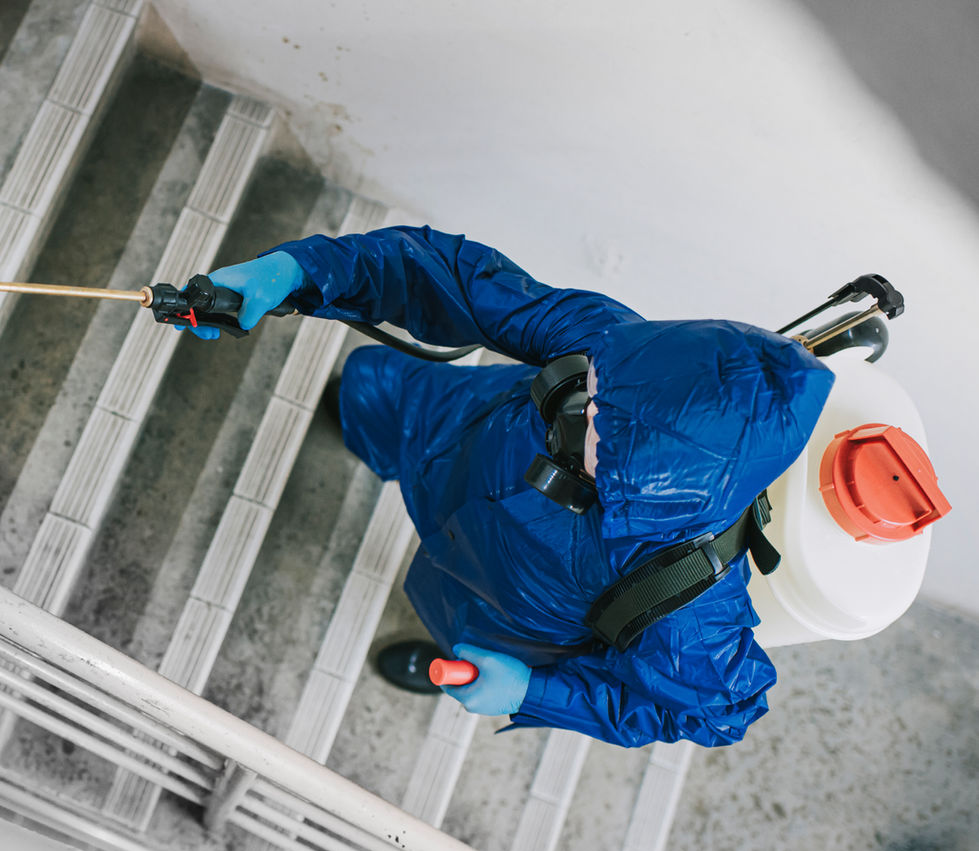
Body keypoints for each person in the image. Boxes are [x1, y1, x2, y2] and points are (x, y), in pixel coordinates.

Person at [191, 227, 835, 748]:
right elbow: (452, 277)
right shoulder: (615, 352)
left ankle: (438, 656)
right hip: (458, 427)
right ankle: (358, 419)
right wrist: (300, 272)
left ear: (652, 483)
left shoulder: (690, 606)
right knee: (370, 392)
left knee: (453, 631)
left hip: (502, 600)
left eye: (607, 425)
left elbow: (718, 714)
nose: (586, 401)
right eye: (601, 386)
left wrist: (531, 691)